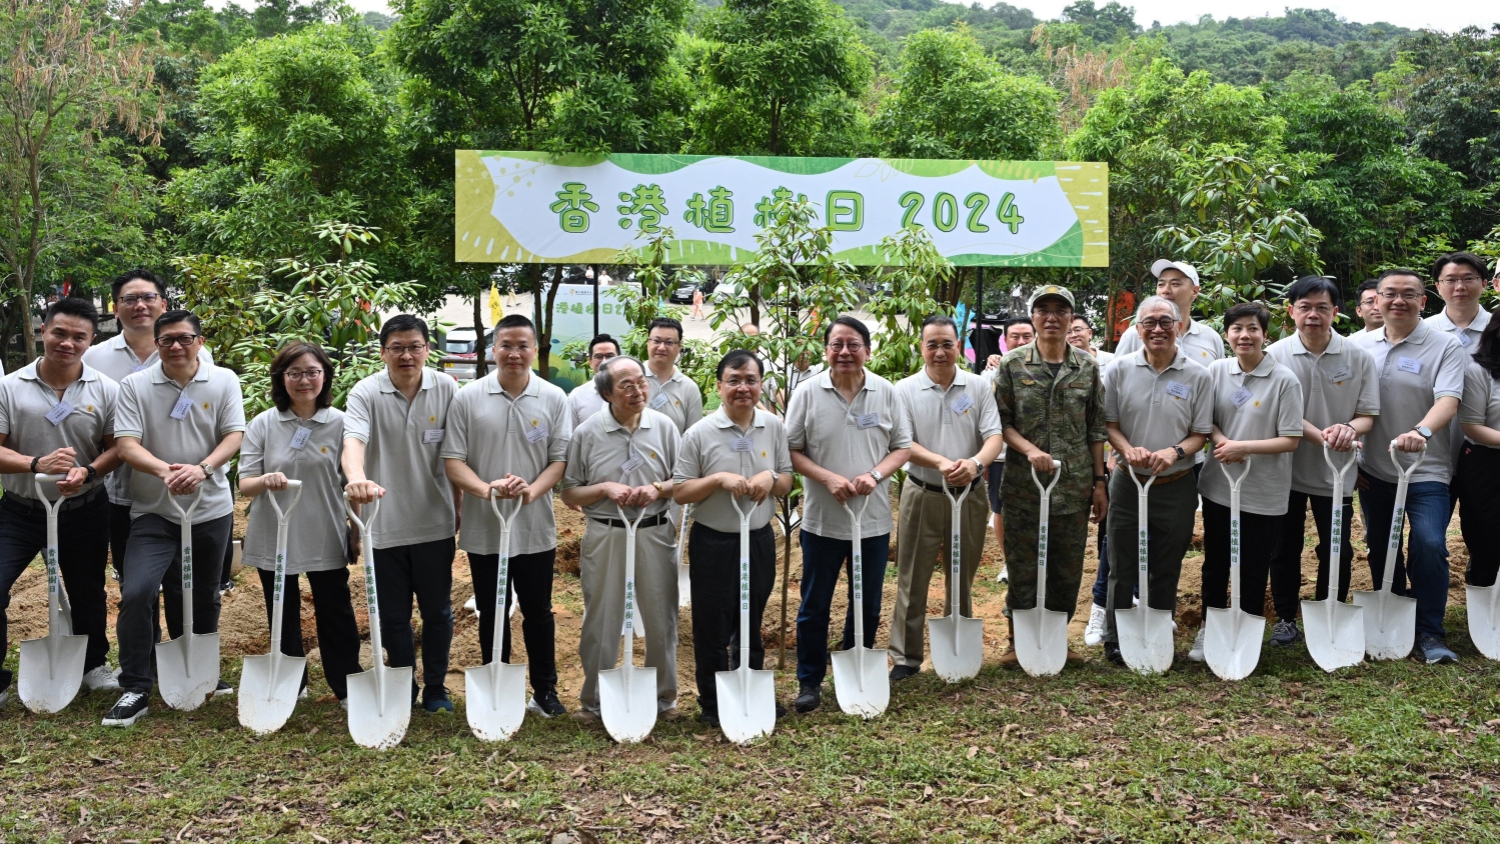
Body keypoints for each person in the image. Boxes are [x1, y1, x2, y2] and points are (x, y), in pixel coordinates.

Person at [105, 309, 246, 726]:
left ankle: (197, 668)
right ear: (157, 344)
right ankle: (136, 684)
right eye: (167, 340)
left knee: (203, 594)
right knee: (138, 591)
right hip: (154, 510)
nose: (176, 346)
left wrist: (201, 469)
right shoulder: (135, 386)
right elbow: (127, 444)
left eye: (185, 338)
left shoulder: (223, 380)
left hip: (211, 509)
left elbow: (233, 435)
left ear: (200, 341)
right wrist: (166, 472)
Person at [443, 314, 572, 718]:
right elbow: (453, 461)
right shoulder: (468, 398)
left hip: (535, 526)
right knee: (491, 608)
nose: (514, 353)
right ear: (492, 350)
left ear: (534, 350)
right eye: (506, 345)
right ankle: (496, 683)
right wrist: (487, 491)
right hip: (485, 526)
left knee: (538, 611)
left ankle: (545, 691)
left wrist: (532, 491)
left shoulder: (554, 397)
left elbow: (559, 460)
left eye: (522, 346)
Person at [0, 298, 124, 708]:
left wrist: (88, 472)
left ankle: (93, 664)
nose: (67, 343)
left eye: (78, 337)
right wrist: (35, 463)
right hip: (20, 510)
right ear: (43, 332)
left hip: (84, 509)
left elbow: (116, 448)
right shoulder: (9, 387)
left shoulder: (106, 389)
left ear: (91, 341)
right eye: (59, 333)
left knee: (88, 589)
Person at [785, 316, 911, 713]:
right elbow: (791, 450)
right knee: (814, 605)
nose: (844, 352)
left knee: (867, 604)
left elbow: (903, 447)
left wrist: (875, 475)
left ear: (867, 351)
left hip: (872, 522)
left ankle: (857, 672)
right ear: (826, 351)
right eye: (836, 344)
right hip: (822, 521)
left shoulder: (885, 392)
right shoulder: (807, 392)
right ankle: (810, 681)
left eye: (853, 345)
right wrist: (827, 478)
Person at [342, 314, 461, 713]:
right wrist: (357, 478)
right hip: (383, 524)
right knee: (393, 616)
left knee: (437, 612)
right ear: (383, 353)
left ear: (427, 349)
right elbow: (354, 440)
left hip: (434, 523)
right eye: (397, 348)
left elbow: (457, 452)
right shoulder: (366, 392)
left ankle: (436, 688)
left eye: (414, 347)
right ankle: (402, 683)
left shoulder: (447, 388)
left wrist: (459, 507)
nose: (406, 355)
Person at [1351, 269, 1467, 665]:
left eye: (1408, 294)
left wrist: (1421, 431)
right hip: (1374, 470)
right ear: (1376, 299)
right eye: (1389, 293)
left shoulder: (1444, 346)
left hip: (1426, 468)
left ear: (1423, 301)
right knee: (1381, 546)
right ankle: (1395, 620)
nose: (1398, 301)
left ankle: (1430, 631)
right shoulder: (1358, 346)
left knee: (1430, 544)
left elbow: (1448, 400)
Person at [673, 350, 794, 727]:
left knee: (751, 616)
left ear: (761, 385)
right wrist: (716, 479)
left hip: (758, 539)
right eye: (734, 380)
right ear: (719, 385)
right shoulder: (699, 433)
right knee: (711, 622)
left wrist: (770, 478)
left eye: (750, 380)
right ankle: (712, 702)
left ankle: (749, 691)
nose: (743, 388)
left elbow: (787, 481)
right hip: (714, 542)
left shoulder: (773, 426)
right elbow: (680, 491)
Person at [237, 342, 361, 705]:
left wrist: (355, 531)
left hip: (324, 530)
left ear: (325, 376)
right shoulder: (263, 424)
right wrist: (266, 479)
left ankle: (346, 685)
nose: (304, 380)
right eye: (294, 373)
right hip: (273, 532)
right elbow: (245, 484)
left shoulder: (342, 424)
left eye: (312, 372)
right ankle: (293, 682)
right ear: (281, 378)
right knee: (281, 610)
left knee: (336, 611)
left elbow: (352, 482)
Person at [560, 356, 682, 720]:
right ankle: (594, 700)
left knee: (661, 616)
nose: (638, 391)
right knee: (602, 617)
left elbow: (682, 481)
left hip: (654, 532)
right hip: (606, 533)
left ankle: (663, 699)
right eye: (626, 386)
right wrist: (604, 489)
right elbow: (570, 493)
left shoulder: (664, 427)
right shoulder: (587, 433)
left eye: (641, 382)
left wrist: (657, 488)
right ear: (606, 394)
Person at [84, 270, 212, 610]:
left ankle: (182, 642)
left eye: (148, 297)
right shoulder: (93, 357)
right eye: (129, 299)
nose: (139, 305)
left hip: (183, 488)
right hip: (120, 491)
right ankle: (145, 644)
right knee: (136, 584)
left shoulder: (194, 353)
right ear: (115, 308)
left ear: (163, 304)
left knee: (182, 583)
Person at [993, 287, 1107, 666]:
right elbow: (1001, 423)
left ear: (1071, 318)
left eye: (1061, 311)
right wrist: (1029, 450)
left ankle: (1057, 639)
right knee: (1023, 565)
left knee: (1066, 566)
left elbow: (1095, 429)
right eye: (1044, 310)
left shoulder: (1087, 367)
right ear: (1034, 317)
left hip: (1073, 485)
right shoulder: (1012, 365)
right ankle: (1017, 641)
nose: (1052, 317)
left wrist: (1099, 482)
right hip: (1023, 484)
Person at [1265, 276, 1378, 647]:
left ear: (1336, 312)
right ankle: (1286, 617)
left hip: (1337, 472)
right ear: (1291, 311)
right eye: (1305, 307)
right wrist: (1325, 436)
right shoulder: (1274, 356)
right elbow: (1279, 414)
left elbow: (1367, 415)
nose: (1313, 315)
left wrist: (1348, 429)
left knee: (1337, 547)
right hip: (1286, 470)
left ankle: (1330, 609)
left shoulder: (1357, 357)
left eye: (1322, 308)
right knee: (1284, 547)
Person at [888, 316, 1003, 680]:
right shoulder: (904, 390)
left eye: (947, 344)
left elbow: (994, 435)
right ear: (922, 348)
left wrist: (975, 463)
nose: (940, 352)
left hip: (970, 495)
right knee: (912, 576)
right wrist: (940, 462)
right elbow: (902, 442)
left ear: (958, 346)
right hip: (922, 493)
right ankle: (906, 657)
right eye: (932, 345)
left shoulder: (978, 386)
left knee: (962, 574)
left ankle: (959, 648)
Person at [1101, 296, 1213, 666]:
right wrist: (1126, 449)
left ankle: (1158, 631)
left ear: (1178, 326)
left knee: (1167, 563)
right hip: (1127, 482)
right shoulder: (1119, 370)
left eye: (1166, 321)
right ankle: (1116, 639)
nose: (1158, 329)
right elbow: (1109, 424)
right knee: (1121, 564)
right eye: (1149, 322)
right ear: (1138, 329)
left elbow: (1200, 433)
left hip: (1176, 483)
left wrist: (1174, 452)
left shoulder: (1198, 375)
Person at [1188, 302, 1303, 662]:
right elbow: (1205, 420)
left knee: (1253, 565)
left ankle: (1246, 631)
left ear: (1265, 334)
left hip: (1264, 489)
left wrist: (1244, 447)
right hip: (1220, 485)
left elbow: (1291, 439)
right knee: (1216, 561)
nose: (1244, 335)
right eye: (1237, 328)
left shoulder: (1284, 380)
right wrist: (1224, 441)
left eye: (1253, 328)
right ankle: (1208, 627)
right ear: (1227, 334)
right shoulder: (1216, 371)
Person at [986, 317, 1035, 584]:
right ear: (1004, 340)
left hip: (1039, 456)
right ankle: (1009, 563)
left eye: (1026, 336)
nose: (1020, 341)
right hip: (1002, 456)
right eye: (1014, 336)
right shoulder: (991, 372)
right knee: (1001, 509)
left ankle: (1035, 562)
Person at [1457, 317, 1500, 598]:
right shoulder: (1479, 371)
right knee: (1486, 534)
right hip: (1486, 464)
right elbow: (1472, 426)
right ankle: (1485, 590)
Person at [1114, 260, 1226, 367]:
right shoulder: (1135, 334)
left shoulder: (1211, 337)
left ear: (1194, 291)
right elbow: (1117, 374)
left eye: (1175, 284)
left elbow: (1219, 378)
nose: (1165, 290)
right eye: (1161, 284)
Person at [642, 317, 704, 434]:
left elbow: (693, 436)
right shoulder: (633, 380)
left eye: (669, 342)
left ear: (679, 346)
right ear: (648, 343)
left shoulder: (689, 388)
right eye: (656, 341)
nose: (661, 347)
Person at [568, 334, 619, 429]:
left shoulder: (632, 392)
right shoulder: (577, 397)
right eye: (599, 356)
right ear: (590, 362)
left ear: (620, 359)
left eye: (610, 356)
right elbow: (569, 434)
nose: (604, 362)